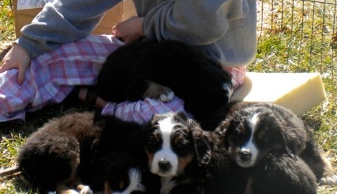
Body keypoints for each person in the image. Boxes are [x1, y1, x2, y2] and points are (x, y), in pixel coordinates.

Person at [0, 0, 257, 124]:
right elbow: (79, 4)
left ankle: (92, 98)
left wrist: (145, 25)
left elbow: (203, 23)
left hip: (212, 62)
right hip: (153, 49)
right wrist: (27, 44)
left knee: (165, 122)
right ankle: (5, 98)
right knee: (49, 58)